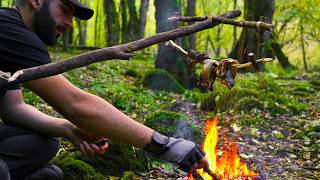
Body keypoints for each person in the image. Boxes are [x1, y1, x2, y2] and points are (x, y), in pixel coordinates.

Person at [0, 0, 210, 179]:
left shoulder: (15, 38)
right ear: (36, 0)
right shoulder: (8, 29)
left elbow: (13, 108)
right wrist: (165, 145)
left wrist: (69, 129)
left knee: (46, 141)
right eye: (65, 9)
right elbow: (76, 104)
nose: (69, 23)